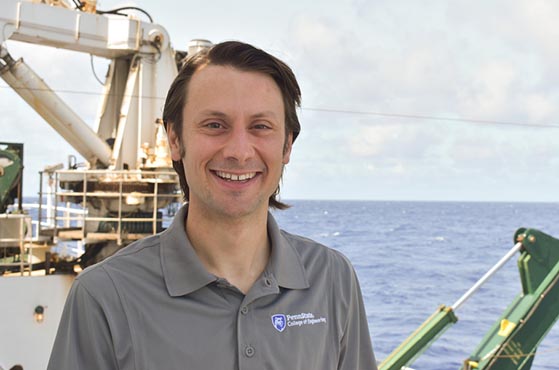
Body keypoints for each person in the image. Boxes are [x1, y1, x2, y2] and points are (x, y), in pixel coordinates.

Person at [47, 41, 377, 370]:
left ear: (287, 145)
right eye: (215, 125)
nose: (239, 151)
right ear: (174, 139)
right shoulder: (105, 296)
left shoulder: (332, 279)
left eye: (260, 127)